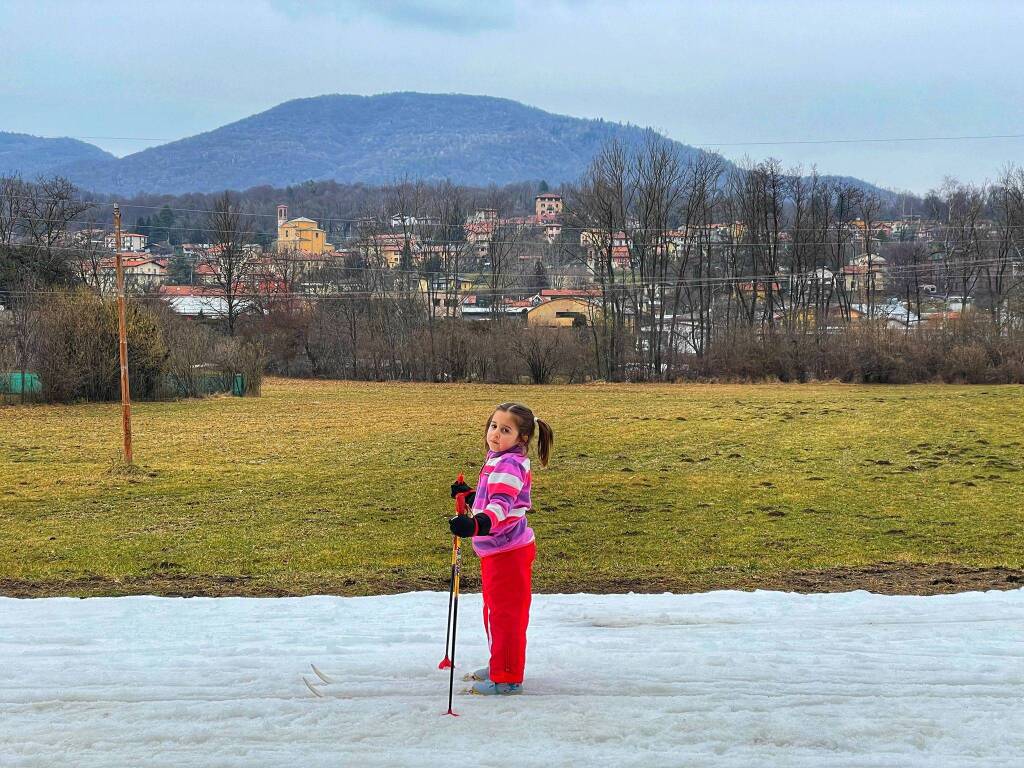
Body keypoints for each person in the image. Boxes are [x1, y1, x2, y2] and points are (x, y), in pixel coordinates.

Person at [449, 402, 554, 696]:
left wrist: (475, 525)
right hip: (497, 551)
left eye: (505, 430)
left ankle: (507, 678)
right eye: (493, 426)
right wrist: (469, 496)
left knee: (505, 616)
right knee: (494, 613)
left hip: (507, 551)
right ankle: (499, 664)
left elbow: (500, 506)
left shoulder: (508, 464)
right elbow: (491, 496)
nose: (495, 433)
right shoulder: (498, 458)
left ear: (521, 438)